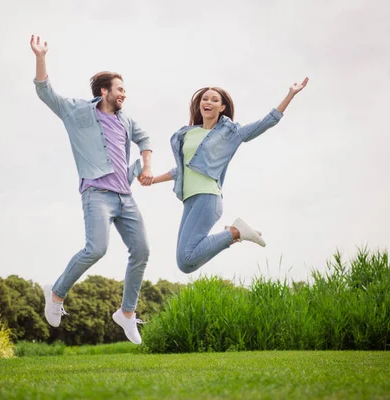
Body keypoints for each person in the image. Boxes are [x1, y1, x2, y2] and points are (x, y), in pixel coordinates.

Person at [30, 34, 153, 344]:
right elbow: (45, 92)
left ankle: (126, 313)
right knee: (96, 248)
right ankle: (56, 294)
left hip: (125, 196)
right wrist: (41, 57)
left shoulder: (126, 120)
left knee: (141, 251)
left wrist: (146, 166)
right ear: (104, 91)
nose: (124, 94)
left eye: (125, 89)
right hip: (97, 194)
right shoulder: (78, 111)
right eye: (120, 89)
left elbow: (145, 139)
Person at [150, 78, 309, 274]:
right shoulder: (187, 134)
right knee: (184, 263)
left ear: (222, 107)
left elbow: (266, 122)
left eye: (214, 100)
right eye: (205, 99)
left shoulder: (229, 134)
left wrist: (290, 94)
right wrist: (153, 179)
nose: (208, 102)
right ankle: (233, 233)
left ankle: (234, 232)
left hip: (207, 197)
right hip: (189, 201)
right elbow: (182, 169)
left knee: (188, 257)